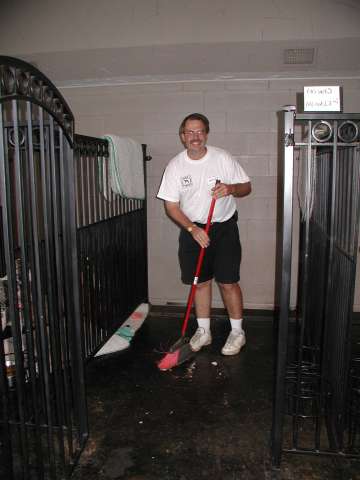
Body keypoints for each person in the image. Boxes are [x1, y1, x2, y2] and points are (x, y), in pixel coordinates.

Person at [157, 113, 251, 355]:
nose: (194, 137)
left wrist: (230, 189)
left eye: (199, 132)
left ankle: (237, 332)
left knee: (228, 281)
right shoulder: (175, 165)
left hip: (223, 227)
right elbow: (171, 206)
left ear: (206, 134)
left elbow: (246, 187)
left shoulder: (222, 158)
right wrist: (192, 229)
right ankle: (204, 331)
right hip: (192, 228)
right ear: (182, 136)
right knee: (200, 282)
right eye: (189, 132)